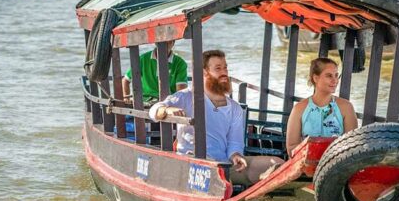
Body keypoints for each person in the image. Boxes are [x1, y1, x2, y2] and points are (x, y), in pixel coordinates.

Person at [150, 49, 282, 185]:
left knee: (277, 164)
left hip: (223, 165)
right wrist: (167, 110)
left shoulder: (235, 108)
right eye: (218, 68)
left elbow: (235, 142)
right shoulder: (187, 96)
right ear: (204, 72)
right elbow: (154, 111)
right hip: (191, 165)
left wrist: (235, 155)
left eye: (225, 67)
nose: (224, 72)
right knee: (206, 170)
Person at [286, 57, 358, 155]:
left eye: (336, 75)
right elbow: (291, 147)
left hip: (336, 165)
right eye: (329, 76)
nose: (335, 80)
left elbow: (352, 144)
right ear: (315, 78)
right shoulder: (299, 109)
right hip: (306, 165)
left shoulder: (346, 107)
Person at [122, 41, 188, 102]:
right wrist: (126, 99)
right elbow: (126, 80)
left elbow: (181, 92)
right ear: (156, 42)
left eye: (169, 42)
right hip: (145, 102)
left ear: (173, 42)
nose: (166, 44)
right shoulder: (143, 59)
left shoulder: (180, 63)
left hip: (168, 103)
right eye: (162, 42)